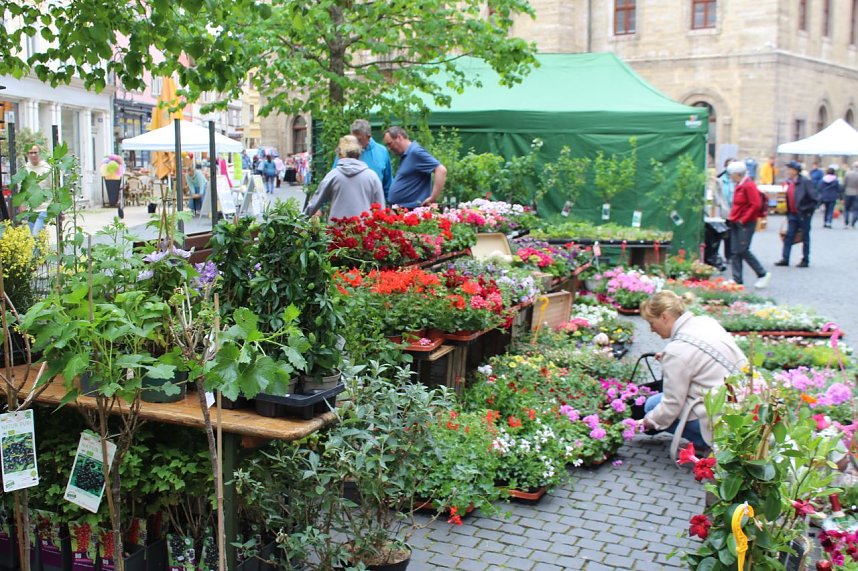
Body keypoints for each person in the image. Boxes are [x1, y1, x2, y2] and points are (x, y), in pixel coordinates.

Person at [639, 291, 747, 453]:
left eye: (651, 323)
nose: (652, 330)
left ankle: (708, 443)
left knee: (652, 406)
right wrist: (669, 360)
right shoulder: (705, 322)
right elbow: (702, 358)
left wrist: (647, 422)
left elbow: (672, 405)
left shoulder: (676, 351)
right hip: (744, 400)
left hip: (720, 418)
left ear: (664, 316)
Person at [304, 135, 385, 221]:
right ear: (359, 153)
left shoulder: (333, 175)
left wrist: (300, 220)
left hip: (337, 227)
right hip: (364, 227)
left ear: (340, 153)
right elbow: (381, 207)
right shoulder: (372, 176)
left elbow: (315, 203)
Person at [726, 161, 771, 288]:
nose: (730, 177)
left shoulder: (748, 185)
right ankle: (737, 279)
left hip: (745, 223)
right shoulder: (740, 184)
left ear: (737, 174)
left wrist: (743, 219)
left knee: (743, 250)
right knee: (735, 251)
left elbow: (755, 204)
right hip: (736, 220)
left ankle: (762, 273)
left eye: (731, 175)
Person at [383, 126, 447, 209]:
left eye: (390, 144)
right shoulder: (406, 155)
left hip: (413, 210)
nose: (389, 148)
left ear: (399, 137)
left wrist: (433, 198)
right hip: (403, 210)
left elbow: (441, 170)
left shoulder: (415, 152)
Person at [776, 160, 819, 268]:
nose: (788, 171)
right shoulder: (789, 182)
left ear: (795, 171)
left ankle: (805, 259)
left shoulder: (805, 182)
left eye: (790, 169)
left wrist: (806, 210)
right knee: (789, 236)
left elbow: (815, 199)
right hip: (792, 213)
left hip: (803, 214)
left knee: (805, 237)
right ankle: (785, 258)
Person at [341, 119, 393, 202]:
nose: (355, 144)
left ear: (368, 137)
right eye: (353, 140)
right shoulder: (344, 151)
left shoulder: (382, 152)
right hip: (349, 203)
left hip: (375, 205)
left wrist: (390, 204)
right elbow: (334, 178)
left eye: (359, 140)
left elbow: (388, 184)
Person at [23, 145, 51, 234]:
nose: (33, 155)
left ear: (40, 153)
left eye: (35, 152)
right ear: (27, 155)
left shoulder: (47, 169)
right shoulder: (25, 169)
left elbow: (54, 188)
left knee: (36, 234)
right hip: (30, 209)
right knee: (33, 237)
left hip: (44, 208)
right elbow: (22, 189)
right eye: (31, 153)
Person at [843, 161, 858, 228]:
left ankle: (846, 223)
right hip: (856, 193)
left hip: (848, 192)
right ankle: (853, 223)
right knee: (856, 209)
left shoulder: (848, 173)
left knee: (846, 208)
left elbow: (844, 183)